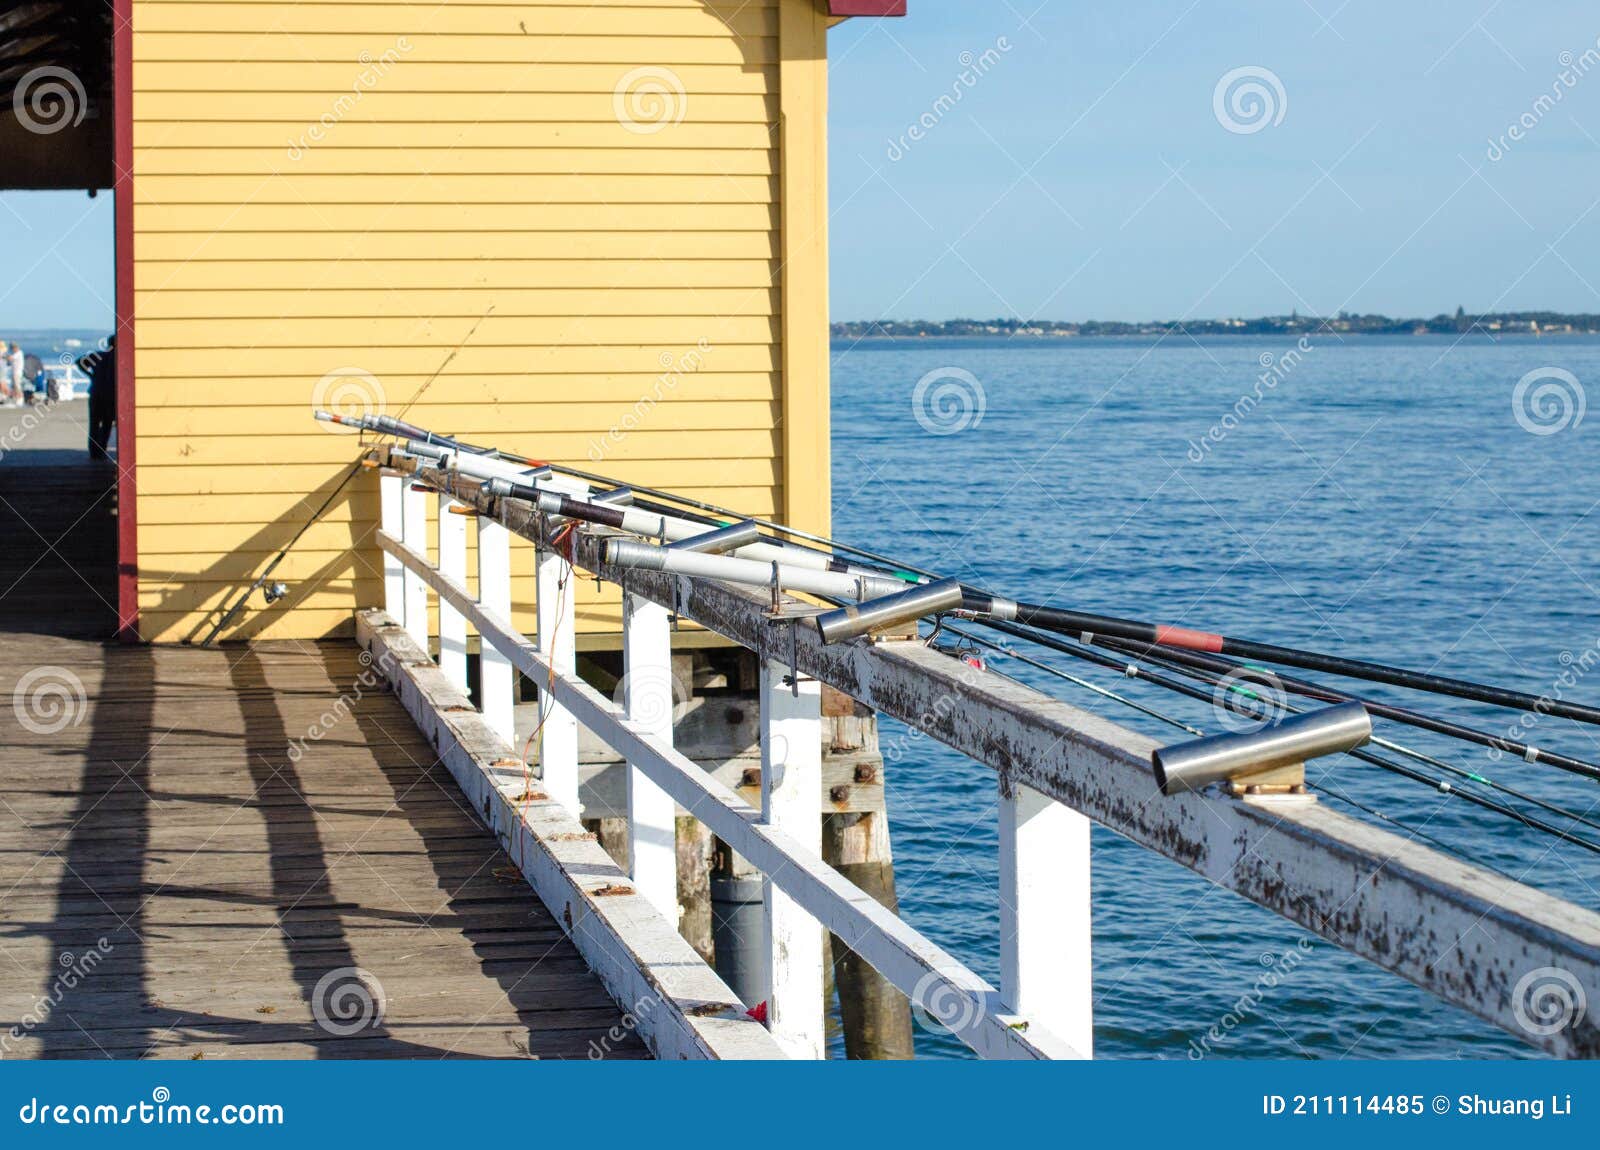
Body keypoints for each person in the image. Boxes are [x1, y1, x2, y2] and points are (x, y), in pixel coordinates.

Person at [80, 336, 117, 460]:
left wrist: (90, 375)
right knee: (107, 424)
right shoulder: (117, 357)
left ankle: (93, 452)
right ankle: (102, 450)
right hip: (110, 395)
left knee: (94, 424)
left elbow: (79, 362)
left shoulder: (98, 355)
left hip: (96, 393)